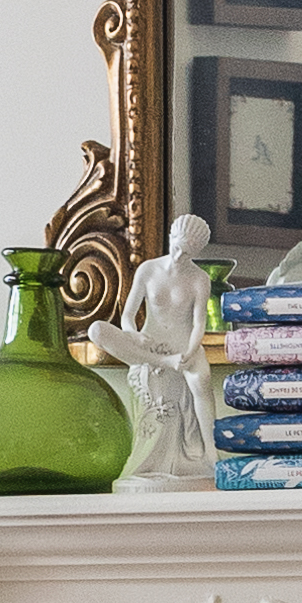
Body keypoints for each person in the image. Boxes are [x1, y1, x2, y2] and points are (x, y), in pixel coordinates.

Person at [107, 204, 219, 483]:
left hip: (184, 346)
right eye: (177, 247)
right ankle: (161, 362)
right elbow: (128, 316)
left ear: (196, 253)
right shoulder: (148, 269)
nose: (179, 255)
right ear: (170, 238)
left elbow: (198, 324)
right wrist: (134, 334)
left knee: (201, 381)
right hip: (149, 344)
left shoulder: (199, 279)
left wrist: (191, 351)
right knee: (98, 330)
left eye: (187, 252)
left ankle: (212, 453)